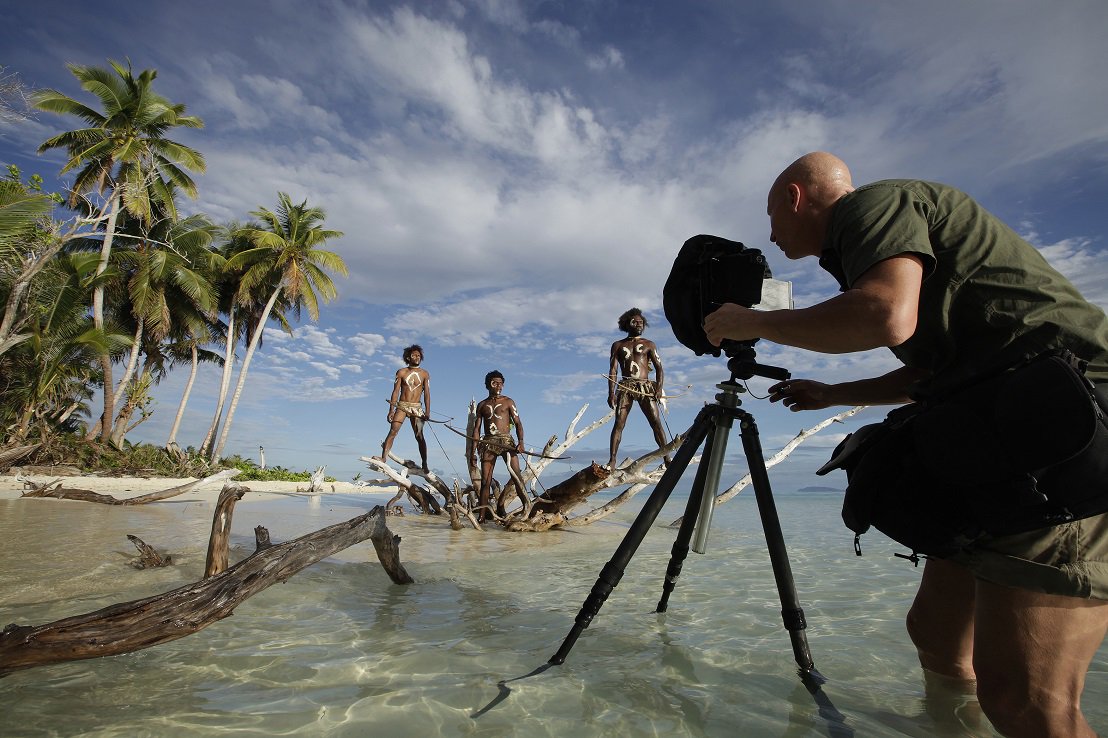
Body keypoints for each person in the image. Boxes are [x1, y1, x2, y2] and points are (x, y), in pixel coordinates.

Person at [704, 151, 1108, 737]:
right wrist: (834, 394)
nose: (772, 238)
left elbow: (886, 316)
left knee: (1026, 701)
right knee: (938, 637)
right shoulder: (877, 247)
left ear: (795, 198)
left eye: (773, 221)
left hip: (1063, 439)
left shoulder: (872, 205)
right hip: (999, 436)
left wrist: (757, 322)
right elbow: (931, 372)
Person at [607, 308, 670, 469]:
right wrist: (611, 393)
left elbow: (659, 368)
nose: (638, 324)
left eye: (641, 322)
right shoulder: (618, 345)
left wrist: (658, 389)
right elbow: (613, 370)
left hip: (645, 387)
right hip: (626, 387)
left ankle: (666, 457)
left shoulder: (649, 344)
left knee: (656, 422)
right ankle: (612, 460)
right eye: (634, 322)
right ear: (626, 324)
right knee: (619, 423)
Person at [472, 370, 526, 523]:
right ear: (488, 385)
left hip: (507, 442)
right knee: (485, 482)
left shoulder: (509, 401)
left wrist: (521, 442)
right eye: (494, 382)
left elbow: (518, 423)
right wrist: (473, 452)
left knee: (517, 477)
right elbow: (476, 429)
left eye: (501, 383)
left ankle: (526, 508)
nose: (498, 386)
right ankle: (481, 516)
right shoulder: (482, 405)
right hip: (488, 442)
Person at [375, 344, 430, 470]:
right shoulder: (401, 372)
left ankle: (425, 464)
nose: (416, 357)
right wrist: (391, 410)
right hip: (402, 405)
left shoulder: (425, 374)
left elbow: (427, 394)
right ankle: (383, 458)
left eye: (418, 355)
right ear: (408, 357)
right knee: (393, 431)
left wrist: (427, 411)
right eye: (413, 355)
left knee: (419, 436)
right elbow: (395, 391)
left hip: (416, 407)